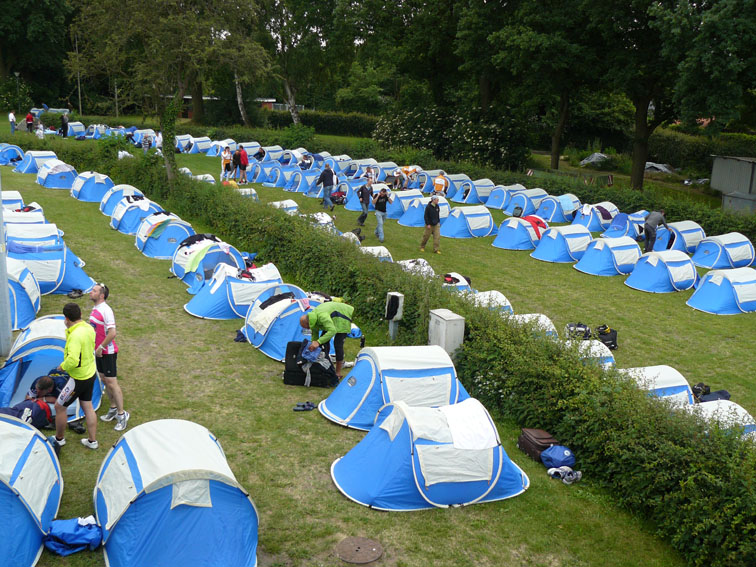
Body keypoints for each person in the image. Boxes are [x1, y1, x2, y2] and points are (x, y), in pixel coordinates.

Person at [53, 303, 99, 449]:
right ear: (80, 315)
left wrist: (62, 366)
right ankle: (92, 441)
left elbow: (73, 360)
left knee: (60, 407)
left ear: (67, 319)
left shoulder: (75, 335)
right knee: (88, 406)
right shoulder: (88, 328)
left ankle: (59, 439)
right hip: (90, 374)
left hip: (78, 379)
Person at [90, 283, 129, 432]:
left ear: (101, 295)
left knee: (112, 383)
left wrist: (101, 347)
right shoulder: (96, 308)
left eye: (94, 291)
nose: (91, 292)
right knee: (104, 380)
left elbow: (112, 333)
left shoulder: (106, 310)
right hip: (98, 352)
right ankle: (113, 408)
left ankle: (122, 414)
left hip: (107, 353)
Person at [299, 301, 355, 379]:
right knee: (323, 343)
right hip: (332, 318)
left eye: (308, 327)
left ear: (309, 323)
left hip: (343, 316)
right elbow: (315, 334)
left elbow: (332, 331)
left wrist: (318, 342)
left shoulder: (322, 317)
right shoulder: (312, 318)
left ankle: (338, 372)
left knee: (338, 345)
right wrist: (314, 343)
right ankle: (326, 366)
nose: (308, 329)